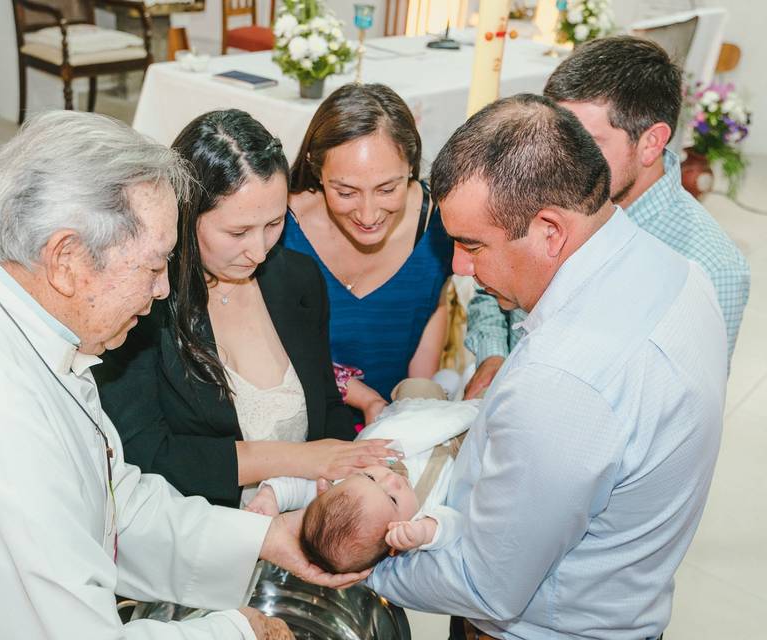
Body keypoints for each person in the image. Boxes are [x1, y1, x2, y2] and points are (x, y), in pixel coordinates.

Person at [0, 111, 366, 640]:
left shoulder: (18, 316)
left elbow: (105, 498)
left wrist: (263, 537)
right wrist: (235, 631)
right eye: (154, 267)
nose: (161, 292)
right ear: (67, 259)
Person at [368, 94, 728, 640]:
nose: (461, 269)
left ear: (550, 231)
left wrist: (359, 561)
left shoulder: (563, 380)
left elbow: (487, 585)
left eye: (471, 245)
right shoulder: (680, 270)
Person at [95, 109, 395, 509]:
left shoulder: (298, 279)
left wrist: (338, 480)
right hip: (199, 527)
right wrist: (302, 459)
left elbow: (327, 404)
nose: (258, 251)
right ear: (185, 215)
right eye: (237, 232)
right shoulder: (145, 305)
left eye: (273, 224)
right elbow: (146, 453)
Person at [463, 35, 750, 400]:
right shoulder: (552, 190)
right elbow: (492, 284)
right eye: (557, 138)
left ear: (651, 142)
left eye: (586, 143)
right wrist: (493, 356)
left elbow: (683, 407)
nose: (561, 162)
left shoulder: (710, 266)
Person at [282, 83, 454, 423]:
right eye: (346, 192)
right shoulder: (280, 228)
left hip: (395, 415)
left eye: (388, 189)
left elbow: (433, 302)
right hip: (303, 419)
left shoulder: (437, 222)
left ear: (411, 166)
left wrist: (416, 399)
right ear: (316, 168)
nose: (368, 214)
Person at [246, 398, 481, 573]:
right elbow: (457, 524)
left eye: (371, 479)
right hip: (468, 452)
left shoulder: (354, 474)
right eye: (393, 499)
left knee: (421, 389)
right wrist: (428, 532)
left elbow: (301, 485)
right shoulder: (414, 523)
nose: (391, 480)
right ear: (392, 545)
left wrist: (271, 494)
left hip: (432, 422)